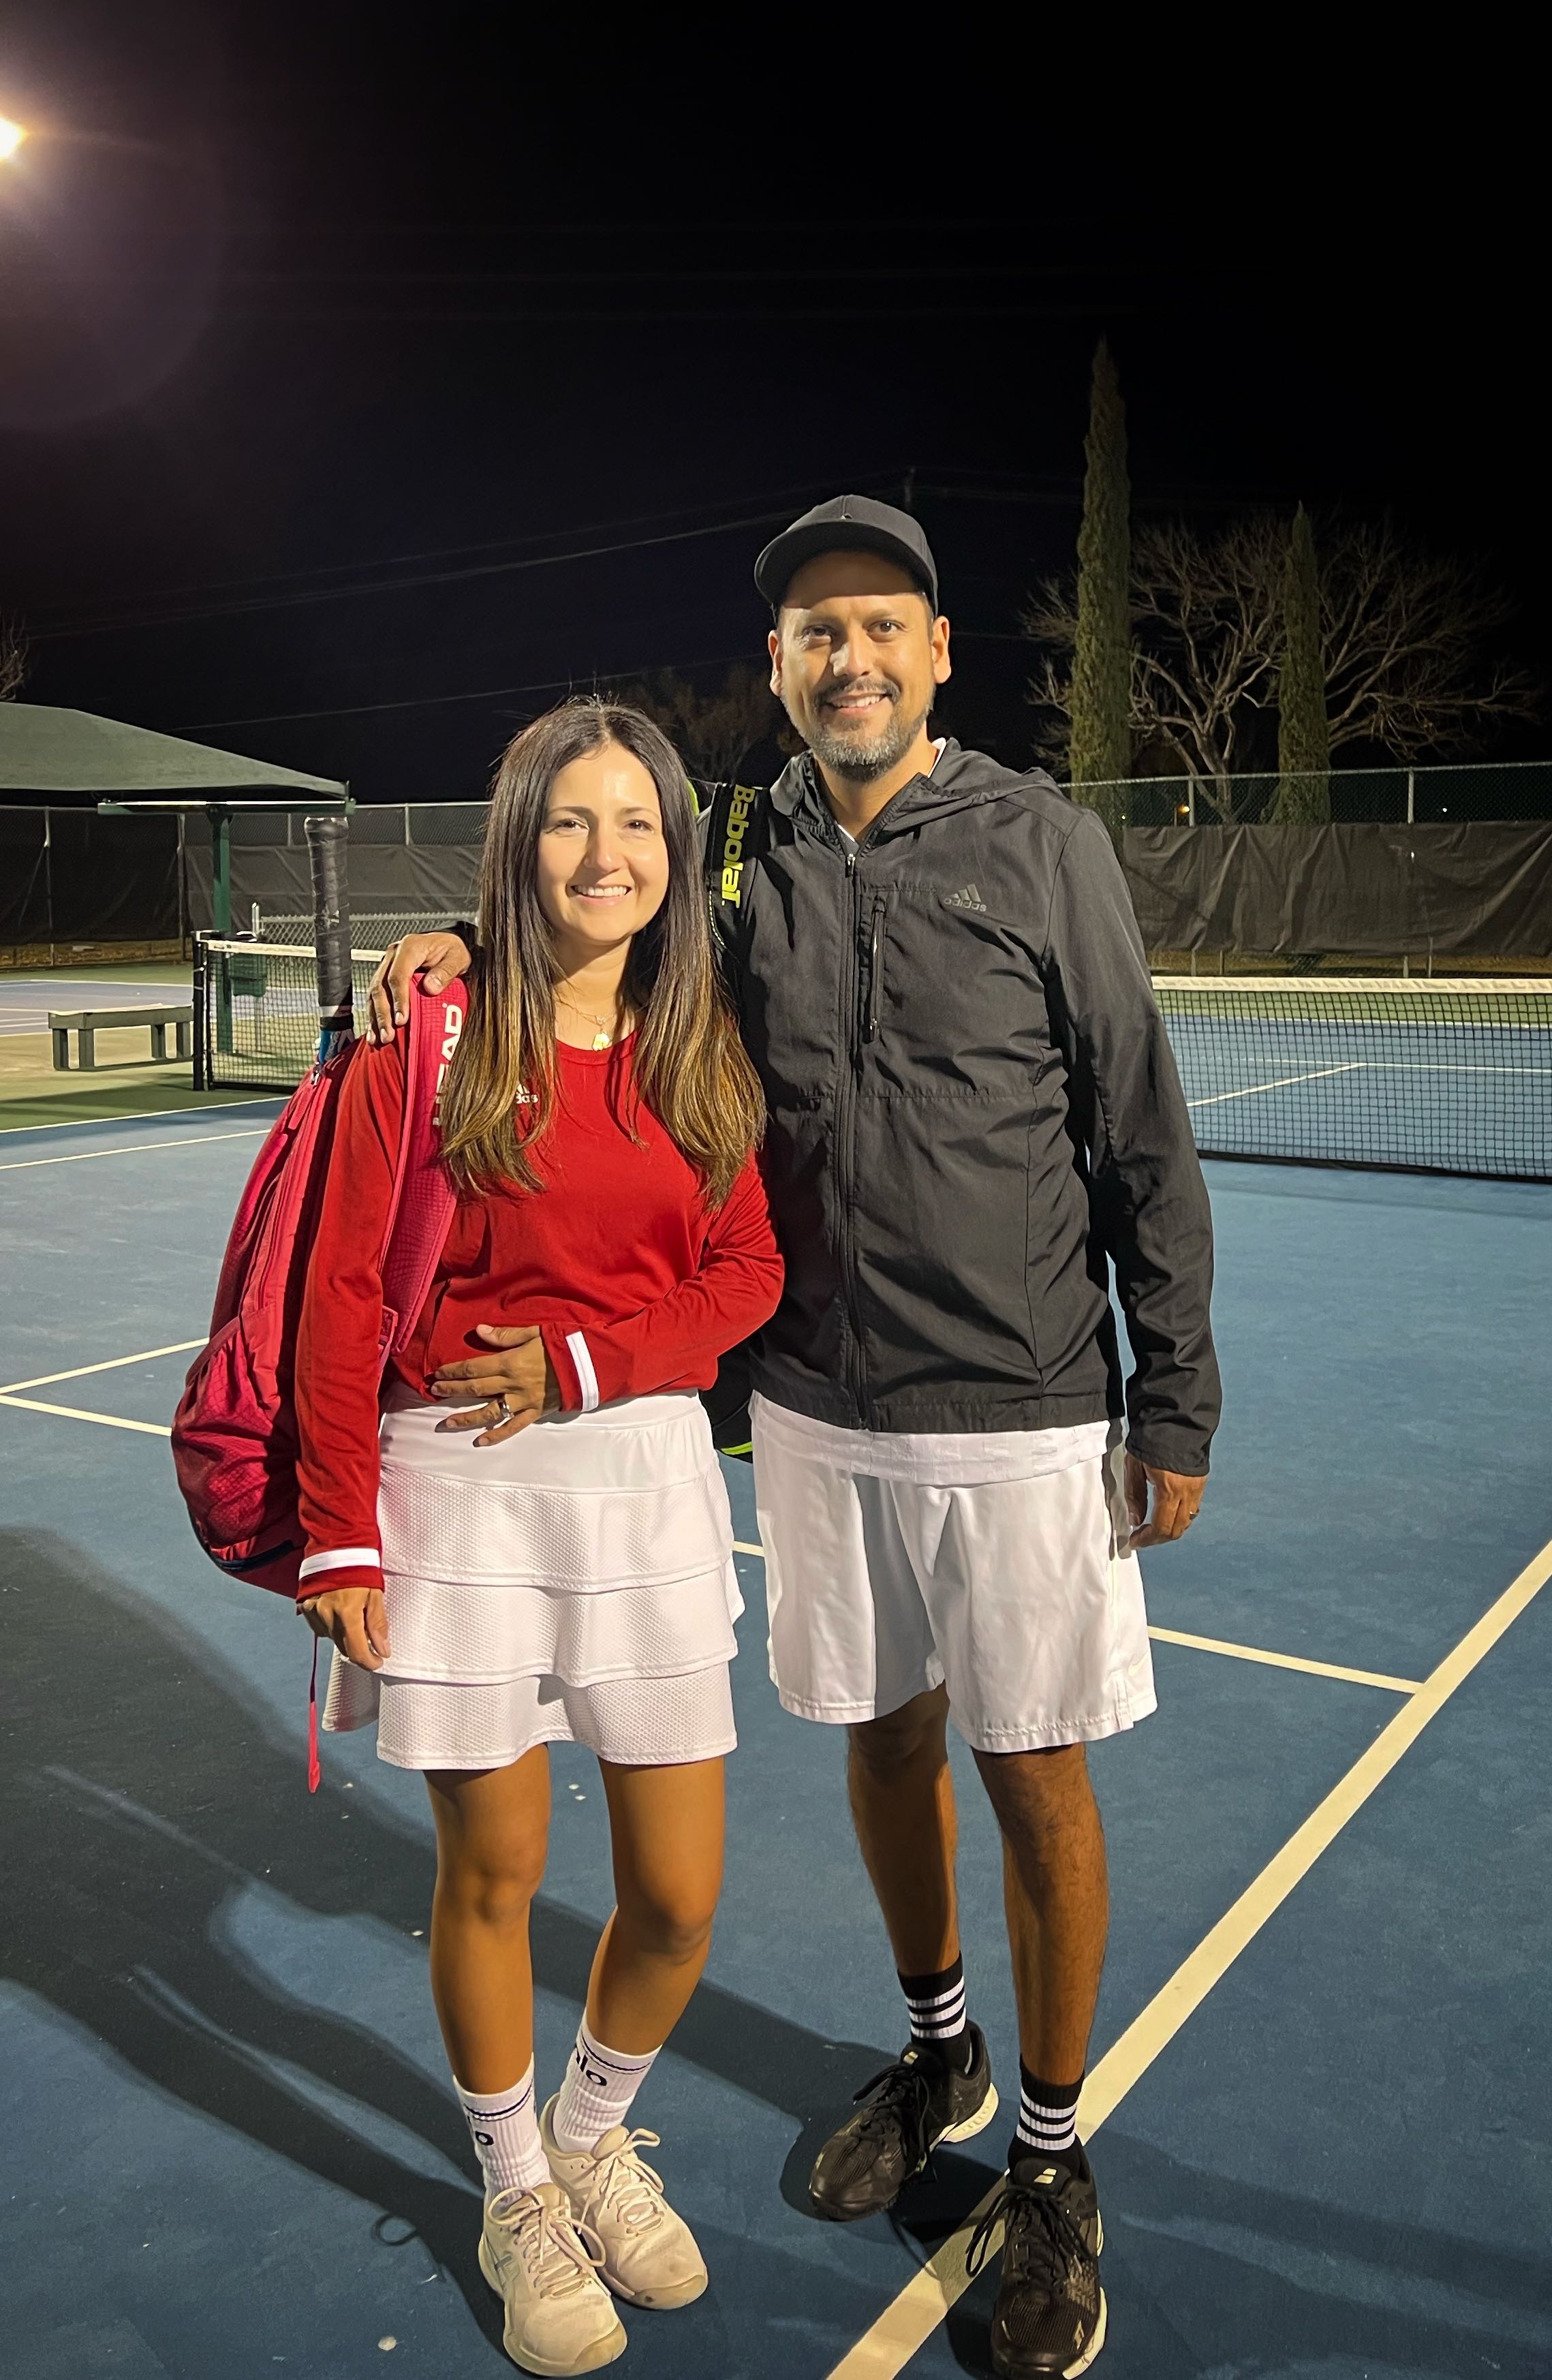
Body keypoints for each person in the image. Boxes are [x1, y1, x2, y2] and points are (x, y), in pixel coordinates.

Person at [371, 495, 1220, 2379]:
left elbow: (1135, 1120)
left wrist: (1173, 1387)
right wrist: (457, 933)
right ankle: (935, 2050)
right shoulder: (743, 866)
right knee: (882, 1740)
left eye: (879, 625)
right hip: (816, 1413)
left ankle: (1054, 2160)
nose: (844, 656)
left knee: (1035, 1778)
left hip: (1022, 1408)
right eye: (810, 632)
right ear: (777, 667)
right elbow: (619, 969)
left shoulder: (1039, 840)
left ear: (933, 655)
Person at [296, 700, 781, 2377]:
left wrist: (594, 1360)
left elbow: (746, 1274)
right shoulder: (422, 1043)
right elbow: (343, 1298)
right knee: (493, 1870)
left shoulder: (700, 1048)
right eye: (570, 822)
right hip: (456, 1492)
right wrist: (337, 1536)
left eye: (638, 822)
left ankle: (591, 2134)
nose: (607, 854)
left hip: (644, 1479)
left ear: (677, 850)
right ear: (519, 844)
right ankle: (516, 2188)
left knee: (676, 1897)